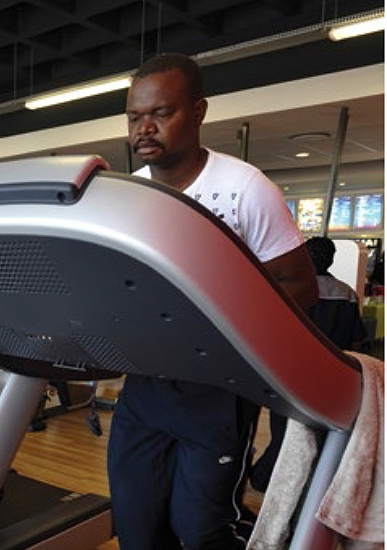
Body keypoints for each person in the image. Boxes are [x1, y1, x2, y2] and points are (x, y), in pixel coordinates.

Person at [107, 53, 318, 550]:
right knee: (136, 527)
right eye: (136, 117)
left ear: (198, 112)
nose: (145, 128)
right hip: (144, 386)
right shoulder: (127, 193)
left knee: (202, 529)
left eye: (161, 113)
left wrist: (227, 330)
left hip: (218, 388)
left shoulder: (244, 188)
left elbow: (301, 287)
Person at [250, 235, 367, 491]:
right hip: (332, 375)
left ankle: (271, 477)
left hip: (291, 374)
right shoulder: (346, 293)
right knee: (322, 432)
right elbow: (357, 339)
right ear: (332, 259)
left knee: (282, 431)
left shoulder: (290, 291)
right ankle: (316, 482)